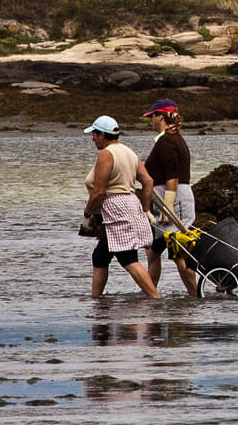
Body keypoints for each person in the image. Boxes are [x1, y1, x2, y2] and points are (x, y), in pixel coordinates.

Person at [83, 115, 159, 298]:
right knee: (100, 256)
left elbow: (100, 191)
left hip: (115, 208)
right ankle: (97, 300)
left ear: (102, 134)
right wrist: (145, 209)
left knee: (127, 258)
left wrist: (87, 213)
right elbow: (148, 182)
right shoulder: (129, 152)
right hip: (130, 204)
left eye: (94, 134)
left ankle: (154, 297)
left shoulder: (106, 154)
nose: (92, 138)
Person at [141, 99, 198, 296]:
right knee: (153, 251)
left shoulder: (166, 141)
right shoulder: (174, 138)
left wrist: (168, 207)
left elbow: (172, 177)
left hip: (174, 199)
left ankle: (195, 293)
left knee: (178, 252)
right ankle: (150, 292)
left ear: (160, 117)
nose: (151, 121)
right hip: (170, 198)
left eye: (152, 117)